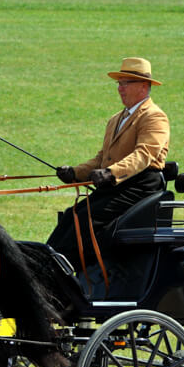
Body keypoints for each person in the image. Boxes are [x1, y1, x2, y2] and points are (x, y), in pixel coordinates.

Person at [47, 57, 170, 271]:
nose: (120, 89)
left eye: (125, 83)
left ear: (143, 86)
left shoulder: (154, 117)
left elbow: (145, 154)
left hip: (140, 186)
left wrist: (111, 173)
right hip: (116, 185)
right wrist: (76, 172)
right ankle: (49, 263)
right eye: (119, 83)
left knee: (85, 219)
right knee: (71, 216)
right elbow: (102, 157)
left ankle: (65, 270)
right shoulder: (116, 119)